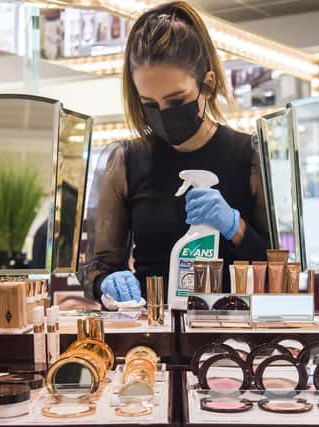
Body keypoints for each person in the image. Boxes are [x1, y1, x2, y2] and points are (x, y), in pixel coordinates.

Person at [85, 1, 269, 304]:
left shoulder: (249, 157)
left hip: (231, 335)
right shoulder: (126, 162)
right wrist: (106, 282)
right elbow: (98, 267)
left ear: (207, 85)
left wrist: (236, 228)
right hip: (151, 334)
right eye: (150, 104)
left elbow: (279, 268)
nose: (163, 115)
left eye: (176, 99)